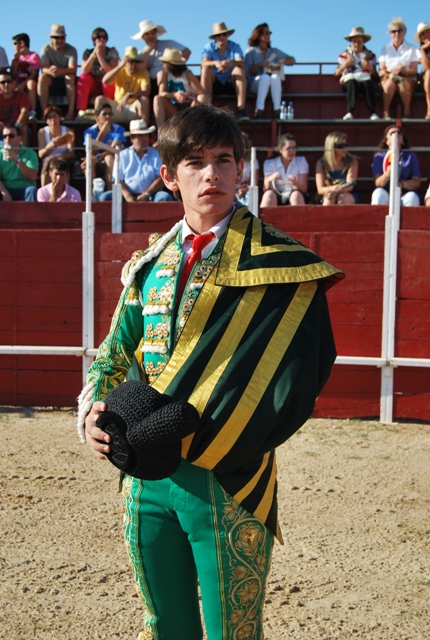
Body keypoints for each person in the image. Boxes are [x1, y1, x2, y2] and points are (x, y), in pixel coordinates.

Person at [78, 103, 343, 639]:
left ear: (242, 169)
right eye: (195, 162)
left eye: (224, 160)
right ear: (168, 175)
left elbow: (301, 379)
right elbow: (113, 352)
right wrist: (91, 411)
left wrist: (235, 435)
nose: (211, 175)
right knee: (165, 623)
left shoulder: (280, 263)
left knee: (233, 629)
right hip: (147, 474)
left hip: (232, 474)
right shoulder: (148, 266)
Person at [99, 118, 172, 202]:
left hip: (152, 194)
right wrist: (127, 195)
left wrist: (147, 193)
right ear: (132, 139)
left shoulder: (156, 154)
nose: (145, 138)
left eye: (146, 135)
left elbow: (161, 178)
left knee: (164, 197)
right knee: (105, 197)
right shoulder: (123, 155)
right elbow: (117, 179)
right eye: (140, 136)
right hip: (126, 194)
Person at [245, 23, 295, 119]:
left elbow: (292, 60)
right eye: (265, 33)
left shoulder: (274, 52)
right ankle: (258, 110)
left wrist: (281, 62)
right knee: (265, 77)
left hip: (271, 84)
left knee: (275, 77)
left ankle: (277, 110)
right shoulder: (251, 52)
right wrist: (259, 65)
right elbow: (247, 72)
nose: (268, 35)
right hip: (254, 84)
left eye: (269, 33)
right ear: (259, 35)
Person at [201, 22, 248, 121]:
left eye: (224, 34)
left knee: (239, 69)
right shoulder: (209, 47)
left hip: (230, 83)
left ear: (228, 35)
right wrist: (215, 63)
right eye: (218, 35)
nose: (221, 37)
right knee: (205, 70)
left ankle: (241, 110)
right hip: (215, 84)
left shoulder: (235, 46)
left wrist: (232, 63)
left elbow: (242, 62)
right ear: (215, 37)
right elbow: (204, 63)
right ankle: (206, 109)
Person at [131, 19, 191, 96]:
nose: (150, 36)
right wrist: (147, 52)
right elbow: (142, 70)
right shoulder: (140, 54)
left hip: (170, 79)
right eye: (147, 34)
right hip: (151, 83)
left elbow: (187, 52)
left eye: (152, 33)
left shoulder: (169, 43)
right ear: (143, 37)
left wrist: (174, 66)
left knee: (161, 75)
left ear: (156, 34)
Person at [95, 47, 150, 125]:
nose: (134, 64)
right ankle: (99, 129)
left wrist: (129, 95)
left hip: (134, 107)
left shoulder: (143, 73)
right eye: (131, 61)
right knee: (99, 99)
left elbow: (146, 91)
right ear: (125, 62)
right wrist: (120, 66)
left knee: (144, 99)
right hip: (118, 107)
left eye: (136, 61)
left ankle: (144, 129)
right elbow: (105, 81)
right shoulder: (120, 71)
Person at [153, 48, 205, 129]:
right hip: (174, 107)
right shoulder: (164, 74)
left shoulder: (188, 74)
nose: (162, 64)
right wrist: (175, 95)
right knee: (157, 99)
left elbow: (201, 92)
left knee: (201, 98)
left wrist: (188, 94)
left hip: (190, 106)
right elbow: (162, 93)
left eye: (164, 62)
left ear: (170, 64)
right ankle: (160, 131)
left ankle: (195, 127)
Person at [378, 17, 420, 119]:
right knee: (389, 84)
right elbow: (381, 71)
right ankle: (386, 112)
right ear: (390, 33)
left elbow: (414, 71)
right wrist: (391, 71)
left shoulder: (412, 48)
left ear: (404, 33)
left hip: (407, 78)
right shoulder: (385, 49)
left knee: (403, 83)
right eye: (393, 31)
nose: (397, 33)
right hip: (389, 77)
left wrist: (403, 70)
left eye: (400, 30)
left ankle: (406, 111)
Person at [335, 27, 379, 120]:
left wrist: (370, 67)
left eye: (359, 41)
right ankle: (349, 112)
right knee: (352, 82)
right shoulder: (344, 55)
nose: (356, 44)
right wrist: (345, 65)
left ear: (364, 42)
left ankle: (372, 113)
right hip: (349, 80)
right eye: (354, 41)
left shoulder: (370, 55)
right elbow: (336, 73)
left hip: (364, 79)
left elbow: (376, 75)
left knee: (368, 83)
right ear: (351, 42)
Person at [371, 125, 421, 206]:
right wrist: (387, 175)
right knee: (378, 194)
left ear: (403, 140)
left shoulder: (410, 156)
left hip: (404, 194)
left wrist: (400, 184)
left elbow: (416, 182)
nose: (396, 134)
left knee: (413, 198)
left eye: (399, 133)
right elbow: (378, 183)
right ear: (387, 141)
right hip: (386, 193)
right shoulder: (379, 157)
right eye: (392, 133)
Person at [38, 24, 78, 121]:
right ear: (51, 38)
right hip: (52, 81)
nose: (59, 40)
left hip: (65, 81)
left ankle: (70, 113)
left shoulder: (71, 50)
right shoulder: (46, 49)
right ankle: (44, 113)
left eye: (62, 37)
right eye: (56, 38)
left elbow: (73, 69)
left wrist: (60, 71)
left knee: (71, 77)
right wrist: (52, 71)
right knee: (42, 78)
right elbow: (43, 68)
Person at [83, 103, 126, 191]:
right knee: (88, 161)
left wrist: (98, 157)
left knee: (109, 157)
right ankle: (91, 196)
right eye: (104, 114)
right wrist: (102, 133)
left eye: (110, 114)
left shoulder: (119, 129)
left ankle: (110, 194)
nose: (108, 116)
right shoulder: (89, 131)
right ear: (97, 117)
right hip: (95, 160)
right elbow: (92, 152)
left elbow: (114, 149)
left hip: (113, 160)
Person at [76, 27, 119, 115]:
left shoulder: (112, 52)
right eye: (99, 37)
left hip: (107, 85)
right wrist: (94, 54)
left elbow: (111, 71)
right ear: (94, 39)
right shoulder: (88, 52)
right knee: (83, 77)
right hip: (94, 84)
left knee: (107, 80)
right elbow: (84, 70)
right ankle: (81, 111)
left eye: (104, 37)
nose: (102, 39)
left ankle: (108, 111)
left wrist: (99, 56)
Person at [260, 133, 309, 207]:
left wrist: (295, 183)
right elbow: (265, 188)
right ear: (280, 149)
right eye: (289, 148)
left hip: (294, 192)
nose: (292, 151)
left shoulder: (301, 161)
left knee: (296, 196)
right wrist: (271, 178)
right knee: (268, 195)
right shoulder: (270, 163)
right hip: (276, 193)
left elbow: (304, 189)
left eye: (294, 148)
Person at [315, 132, 360, 205]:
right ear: (331, 147)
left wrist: (336, 191)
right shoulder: (321, 163)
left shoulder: (351, 161)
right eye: (340, 146)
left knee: (342, 198)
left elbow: (350, 185)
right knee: (328, 200)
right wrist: (332, 190)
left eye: (345, 145)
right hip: (329, 193)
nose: (344, 148)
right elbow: (320, 189)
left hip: (348, 193)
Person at [38, 105, 75, 186]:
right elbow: (41, 154)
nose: (53, 120)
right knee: (47, 162)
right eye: (50, 118)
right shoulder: (42, 132)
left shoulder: (68, 131)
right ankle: (44, 193)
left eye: (55, 116)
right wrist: (51, 145)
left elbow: (71, 153)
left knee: (62, 165)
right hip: (48, 161)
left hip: (63, 159)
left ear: (60, 117)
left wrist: (58, 157)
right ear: (46, 121)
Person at [0, 124, 38, 201]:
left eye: (11, 136)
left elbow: (33, 177)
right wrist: (4, 193)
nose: (7, 139)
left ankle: (30, 213)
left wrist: (17, 160)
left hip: (24, 188)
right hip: (6, 188)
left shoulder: (30, 153)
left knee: (32, 191)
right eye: (4, 136)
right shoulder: (0, 154)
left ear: (19, 137)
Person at [11, 33, 41, 119]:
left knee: (30, 84)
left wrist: (23, 84)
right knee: (9, 84)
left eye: (15, 43)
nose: (13, 46)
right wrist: (16, 61)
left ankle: (33, 112)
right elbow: (13, 74)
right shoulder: (15, 57)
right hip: (17, 81)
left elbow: (34, 74)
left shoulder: (34, 56)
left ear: (22, 43)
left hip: (29, 80)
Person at [0, 70, 30, 143]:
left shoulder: (22, 95)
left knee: (23, 128)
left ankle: (23, 153)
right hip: (2, 129)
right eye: (3, 82)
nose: (6, 84)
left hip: (18, 127)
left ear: (13, 83)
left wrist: (16, 126)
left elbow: (24, 111)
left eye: (9, 81)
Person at [235, 131, 258, 206]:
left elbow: (254, 183)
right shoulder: (227, 161)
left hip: (247, 191)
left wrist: (244, 190)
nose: (241, 148)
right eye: (238, 145)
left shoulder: (252, 160)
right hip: (230, 191)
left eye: (243, 146)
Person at [415, 22, 430, 119]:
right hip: (426, 79)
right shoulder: (418, 50)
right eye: (423, 34)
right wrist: (423, 50)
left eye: (427, 32)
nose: (426, 35)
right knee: (429, 73)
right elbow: (426, 67)